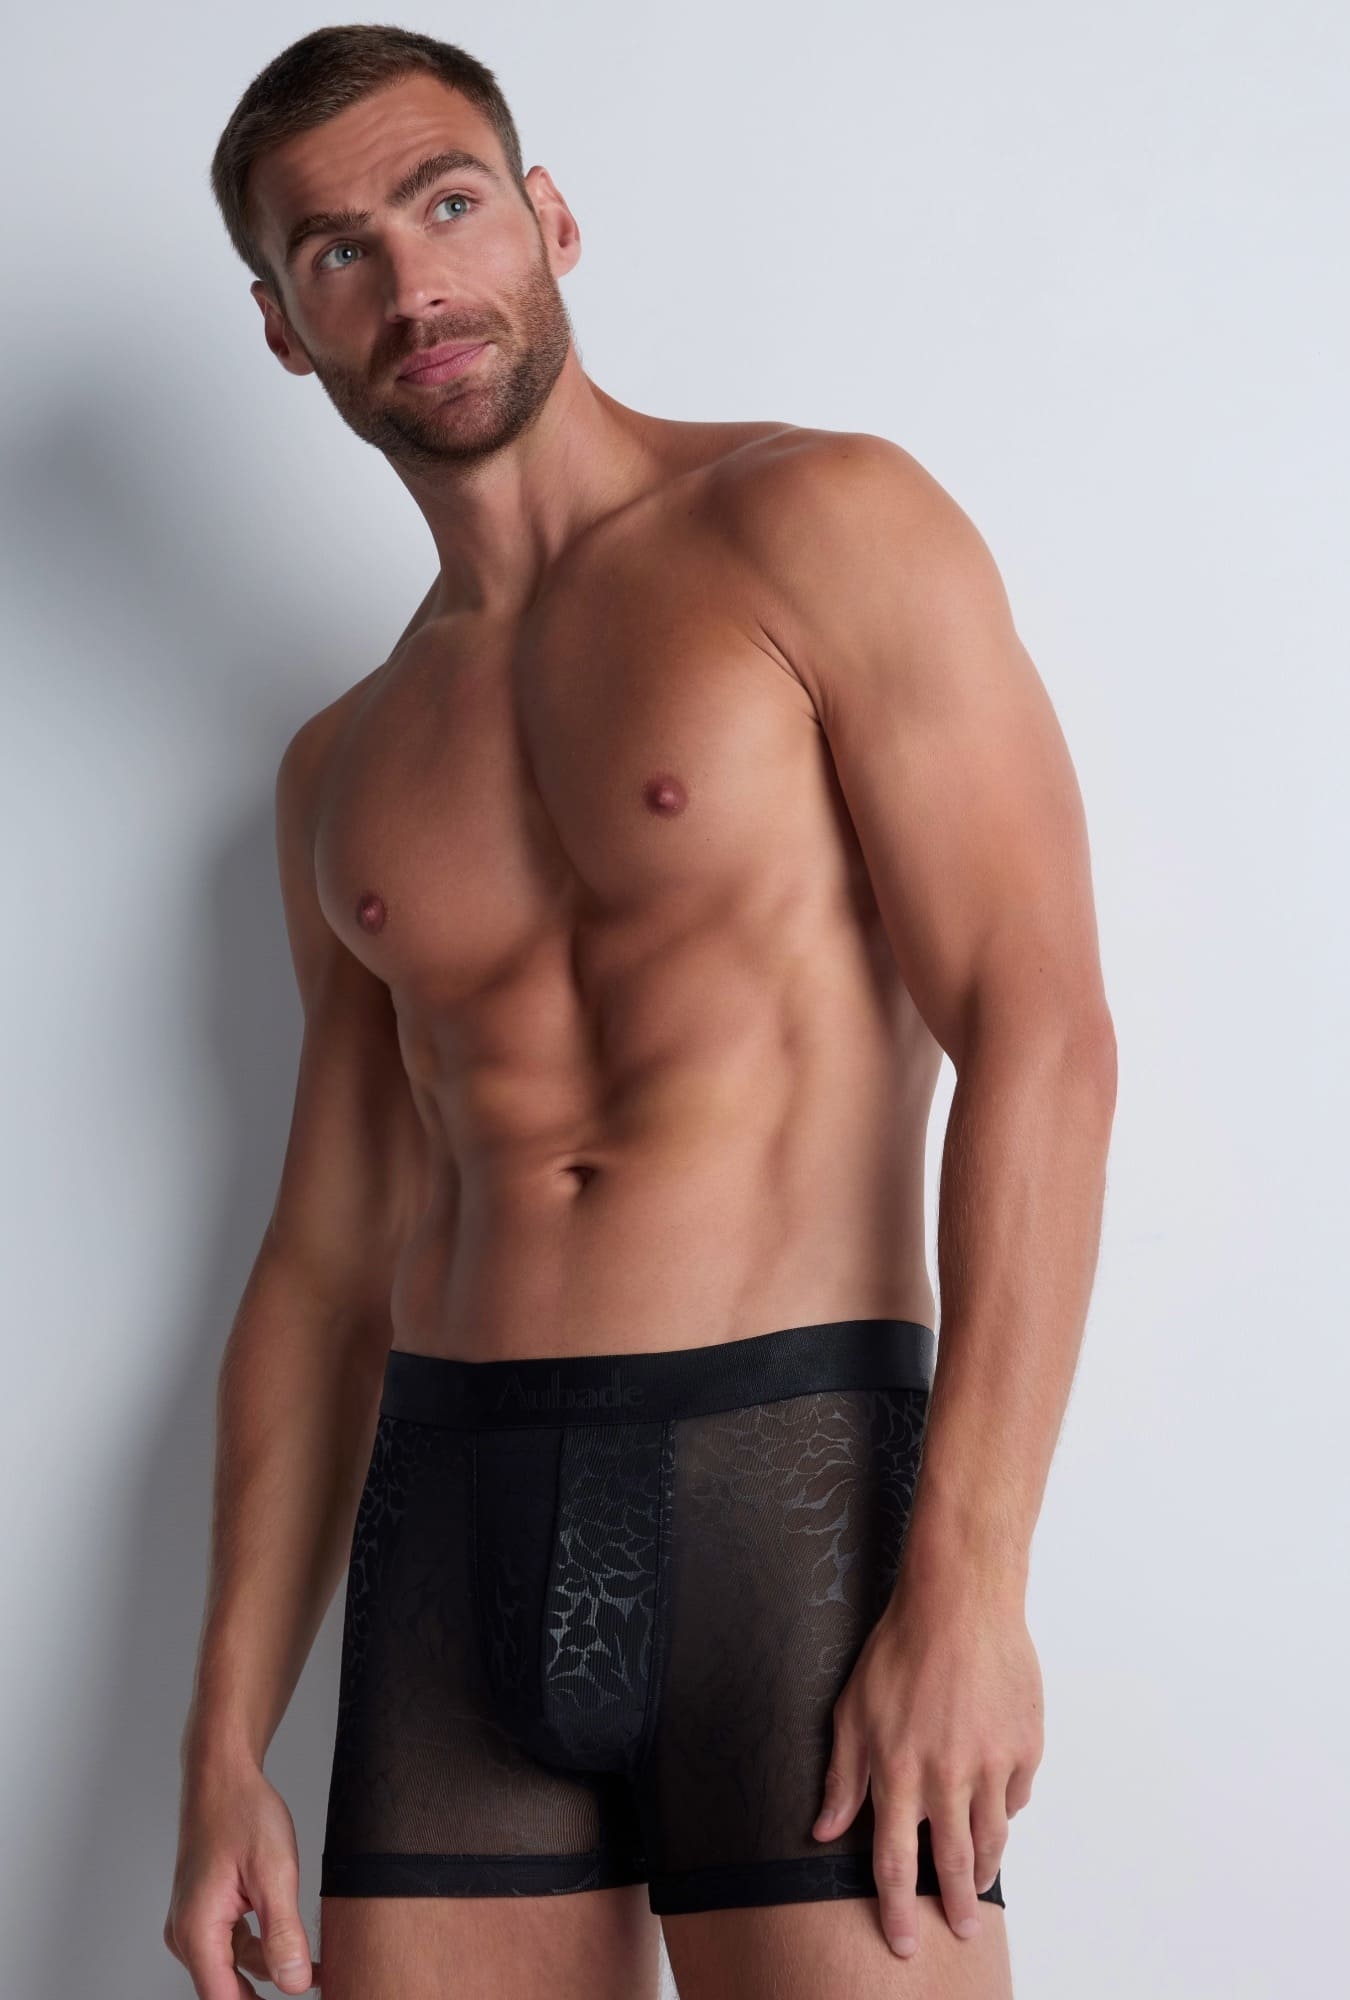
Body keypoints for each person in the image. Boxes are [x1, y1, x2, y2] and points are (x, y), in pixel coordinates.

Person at [164, 24, 1116, 2000]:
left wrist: (971, 1583)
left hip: (794, 1489)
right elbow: (326, 1262)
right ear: (283, 328)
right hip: (454, 1530)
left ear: (549, 219)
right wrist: (224, 1738)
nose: (414, 281)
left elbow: (1042, 1033)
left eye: (447, 203)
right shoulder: (341, 767)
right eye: (337, 250)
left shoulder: (816, 526)